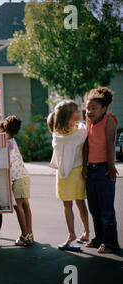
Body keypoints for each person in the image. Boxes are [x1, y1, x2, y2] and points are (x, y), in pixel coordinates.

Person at [47, 100, 90, 252]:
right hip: (76, 172)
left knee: (68, 205)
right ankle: (85, 232)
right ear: (69, 117)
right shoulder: (81, 132)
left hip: (64, 173)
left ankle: (72, 234)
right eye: (77, 111)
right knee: (80, 203)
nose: (81, 112)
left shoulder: (57, 134)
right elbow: (83, 133)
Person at [82, 87, 120, 254]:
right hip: (91, 169)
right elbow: (86, 144)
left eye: (94, 108)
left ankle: (110, 243)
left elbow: (111, 143)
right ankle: (99, 239)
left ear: (104, 108)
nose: (89, 112)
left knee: (106, 209)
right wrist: (84, 166)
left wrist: (111, 166)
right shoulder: (89, 120)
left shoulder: (109, 120)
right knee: (94, 208)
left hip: (104, 169)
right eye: (87, 108)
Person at [0, 116, 34, 246]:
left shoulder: (8, 143)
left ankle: (25, 235)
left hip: (19, 179)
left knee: (19, 207)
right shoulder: (11, 141)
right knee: (25, 206)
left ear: (5, 131)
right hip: (22, 178)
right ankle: (29, 234)